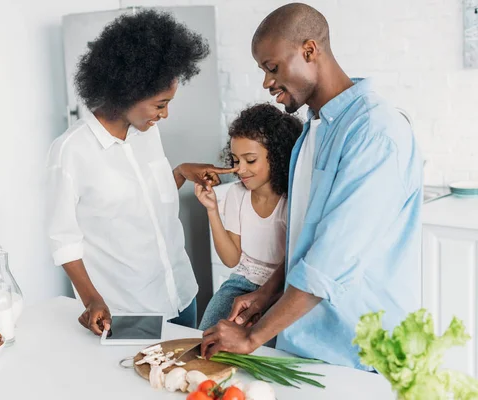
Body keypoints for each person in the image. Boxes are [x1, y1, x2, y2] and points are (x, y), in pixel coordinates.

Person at [201, 3, 423, 370]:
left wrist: (252, 336)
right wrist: (265, 294)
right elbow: (308, 240)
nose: (267, 82)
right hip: (307, 342)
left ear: (309, 51)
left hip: (360, 353)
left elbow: (331, 259)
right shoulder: (313, 130)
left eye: (272, 68)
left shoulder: (376, 131)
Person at [46, 10, 236, 335]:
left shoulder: (148, 132)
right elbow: (64, 240)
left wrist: (180, 173)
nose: (165, 114)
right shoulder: (71, 151)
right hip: (130, 311)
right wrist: (91, 300)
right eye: (160, 104)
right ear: (127, 92)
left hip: (182, 295)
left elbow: (143, 202)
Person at [195, 103, 301, 331]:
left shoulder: (292, 200)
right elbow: (231, 259)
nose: (240, 170)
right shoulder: (236, 194)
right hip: (242, 283)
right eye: (235, 160)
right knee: (206, 335)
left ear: (277, 156)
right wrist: (212, 210)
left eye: (250, 160)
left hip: (281, 290)